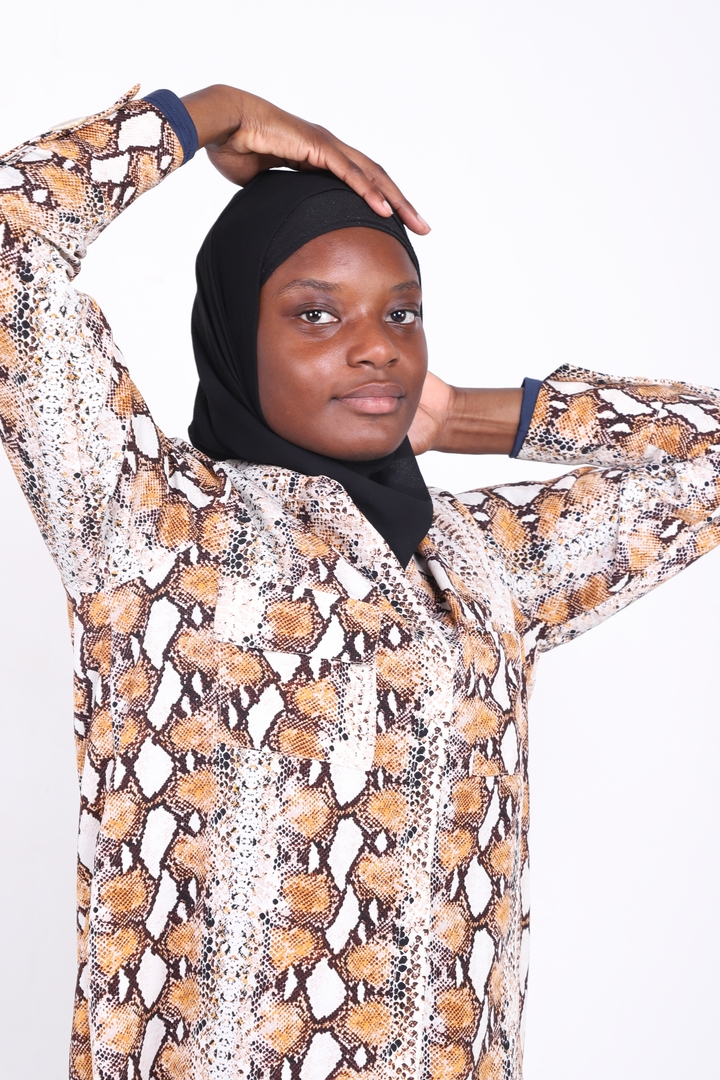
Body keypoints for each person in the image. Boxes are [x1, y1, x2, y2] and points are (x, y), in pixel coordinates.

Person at [0, 82, 718, 1080]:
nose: (377, 345)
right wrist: (209, 113)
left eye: (402, 313)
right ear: (235, 334)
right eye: (315, 313)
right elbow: (11, 242)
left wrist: (464, 415)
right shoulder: (147, 521)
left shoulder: (477, 559)